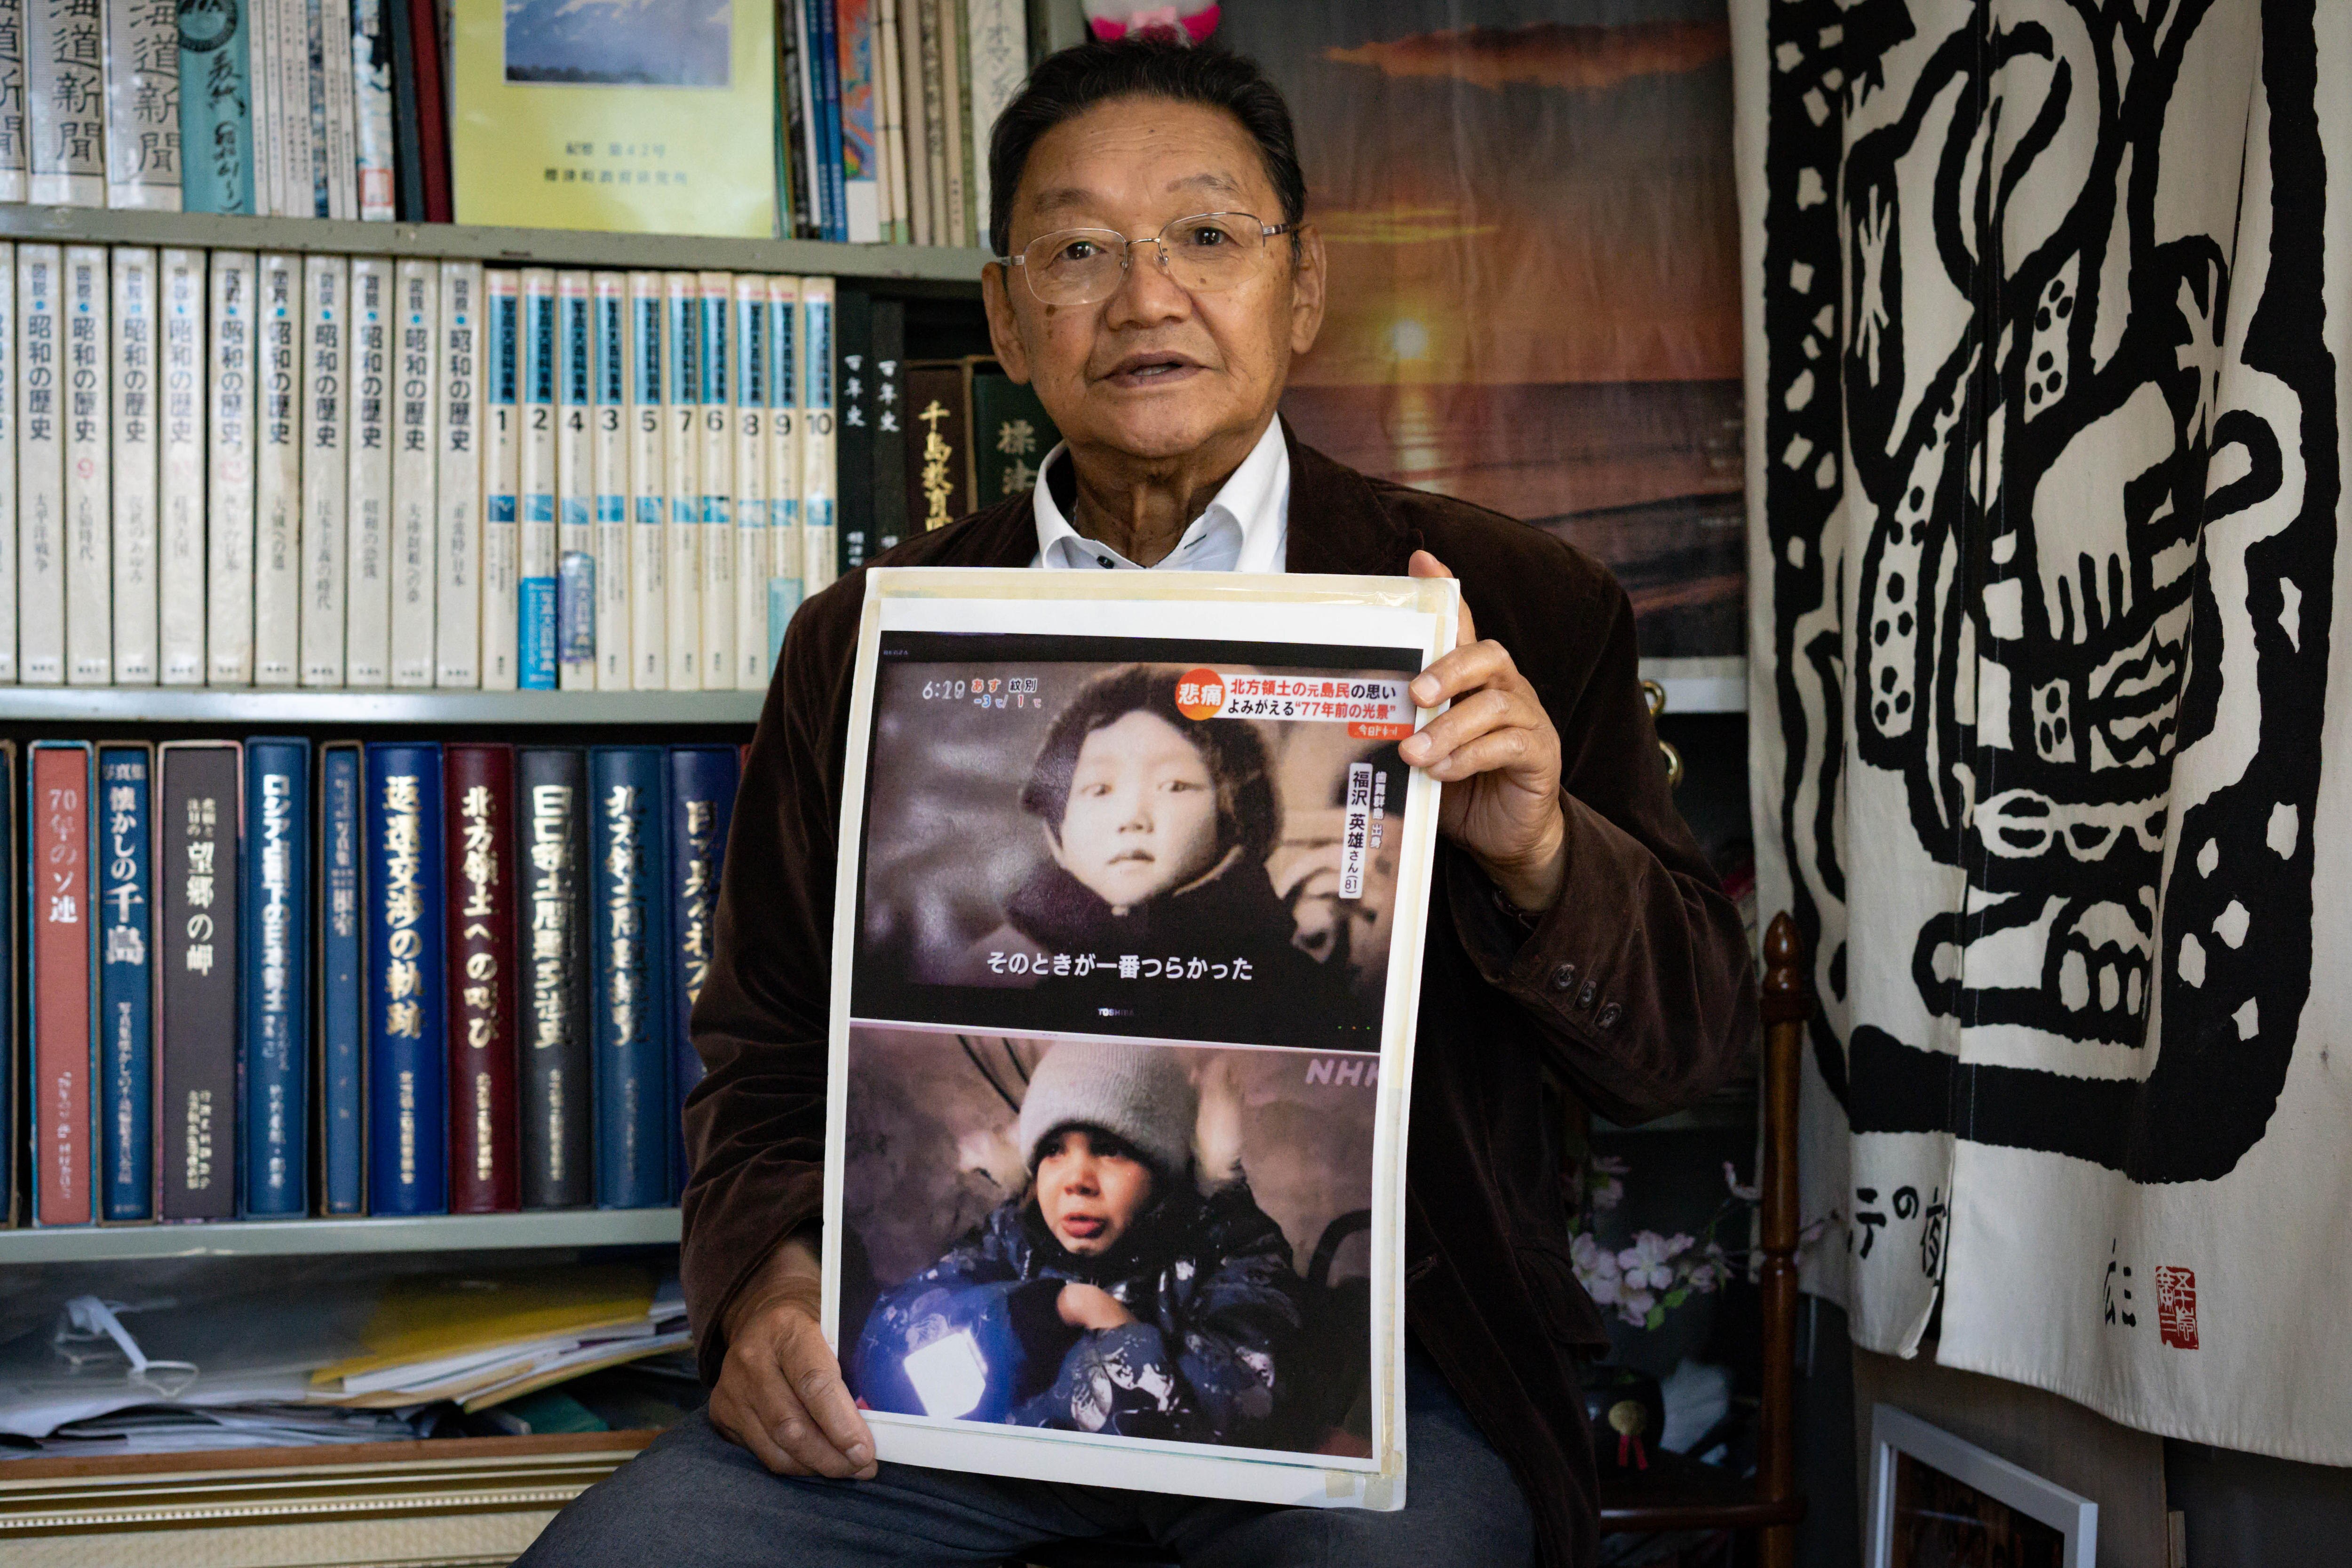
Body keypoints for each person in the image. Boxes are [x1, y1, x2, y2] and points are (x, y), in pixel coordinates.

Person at [523, 34, 1752, 1568]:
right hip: (945, 1403)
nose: (1146, 295)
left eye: (1207, 236)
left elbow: (1688, 1050)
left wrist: (1544, 853)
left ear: (1301, 290)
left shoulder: (1511, 607)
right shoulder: (871, 642)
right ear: (1006, 315)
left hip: (1372, 1385)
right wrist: (770, 1279)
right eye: (1079, 249)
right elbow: (765, 1046)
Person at [847, 1041, 1308, 1449]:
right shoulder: (1011, 1236)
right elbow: (887, 1354)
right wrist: (1047, 1311)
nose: (1076, 1180)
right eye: (1053, 1150)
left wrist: (1114, 1329)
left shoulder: (1234, 1250)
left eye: (1110, 1148)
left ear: (1163, 1166)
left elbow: (1234, 1417)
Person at [944, 663, 1367, 1038]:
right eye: (1099, 789)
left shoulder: (1289, 984)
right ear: (1058, 832)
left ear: (1232, 815)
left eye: (1175, 786)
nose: (1132, 818)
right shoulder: (994, 970)